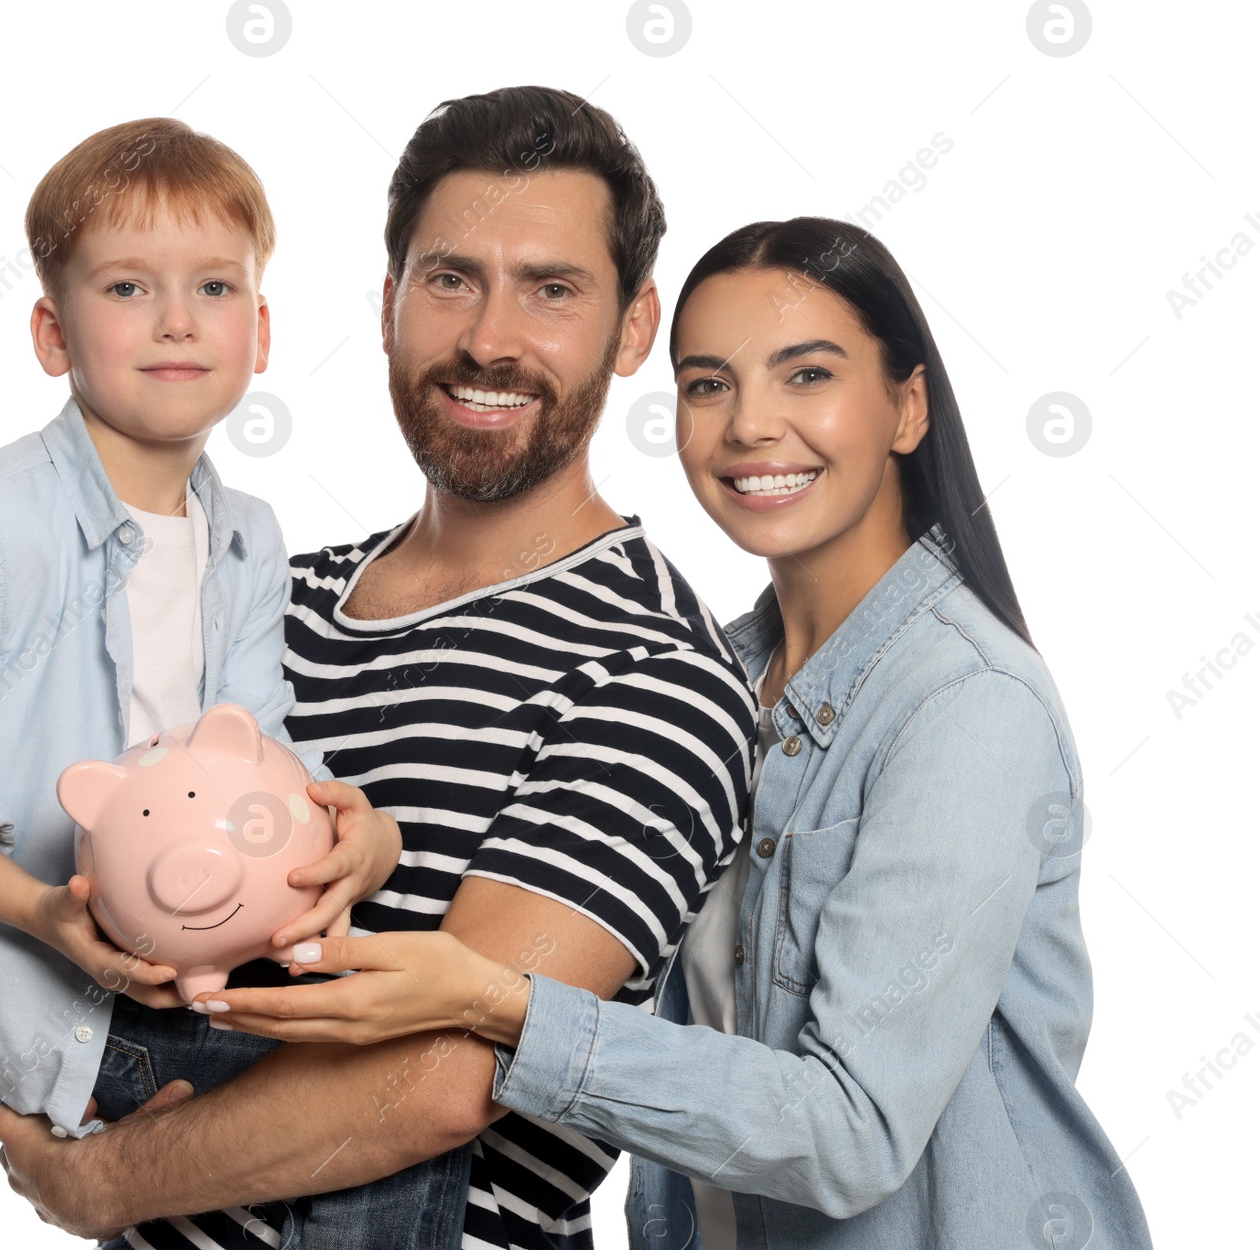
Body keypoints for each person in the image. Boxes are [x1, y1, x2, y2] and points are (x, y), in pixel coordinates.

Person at [184, 218, 1157, 1250]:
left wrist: (504, 1002)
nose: (749, 426)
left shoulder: (965, 704)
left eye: (806, 374)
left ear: (906, 406)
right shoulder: (713, 675)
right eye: (707, 384)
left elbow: (850, 1132)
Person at [0, 87, 758, 1250]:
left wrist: (106, 1180)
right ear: (388, 303)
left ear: (633, 328)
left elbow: (444, 1079)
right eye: (450, 279)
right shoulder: (257, 596)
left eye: (551, 289)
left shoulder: (652, 673)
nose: (489, 338)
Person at [0, 117, 406, 1181]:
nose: (173, 321)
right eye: (124, 288)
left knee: (417, 1069)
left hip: (184, 943)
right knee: (367, 1107)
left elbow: (259, 742)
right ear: (52, 333)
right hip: (29, 986)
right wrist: (46, 914)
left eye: (212, 288)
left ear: (260, 327)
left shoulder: (245, 532)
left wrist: (355, 836)